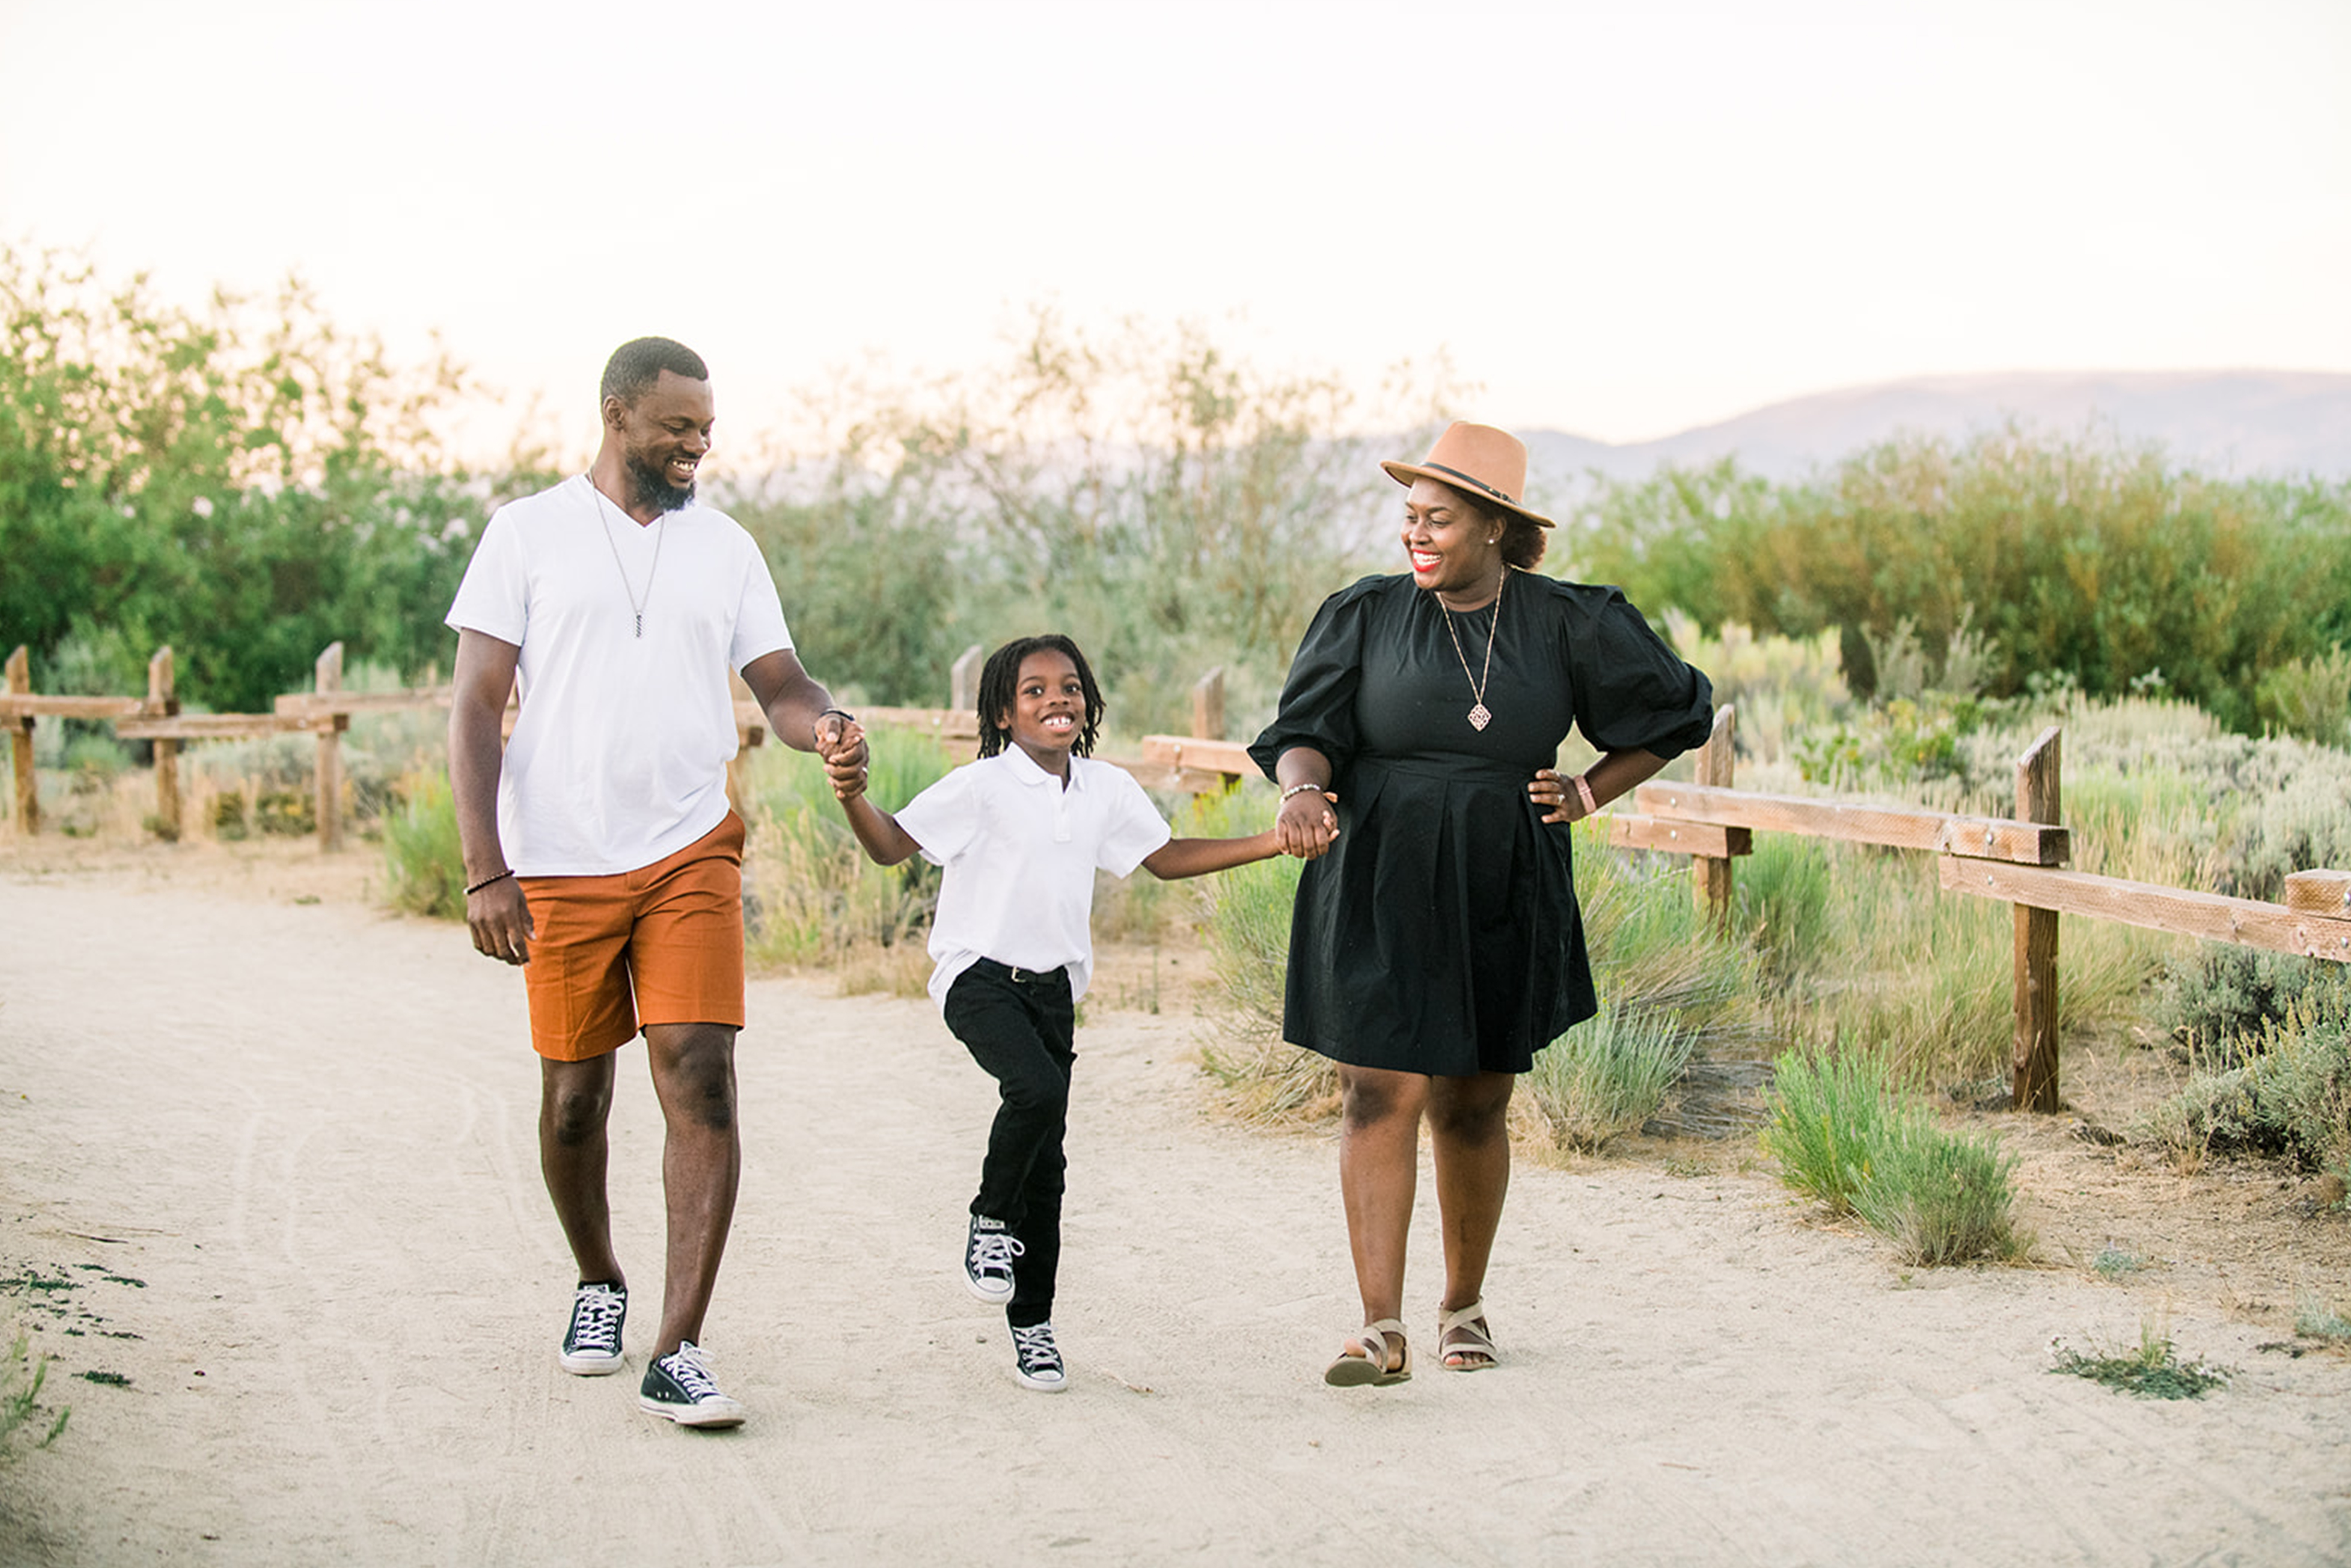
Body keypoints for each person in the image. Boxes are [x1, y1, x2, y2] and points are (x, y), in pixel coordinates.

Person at [445, 336, 864, 1429]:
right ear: (617, 413)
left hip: (689, 845)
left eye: (707, 429)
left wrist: (823, 725)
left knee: (701, 1074)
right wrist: (486, 865)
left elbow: (778, 679)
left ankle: (679, 1347)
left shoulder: (725, 548)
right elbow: (475, 705)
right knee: (577, 1101)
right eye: (679, 427)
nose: (698, 447)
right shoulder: (525, 534)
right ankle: (599, 1280)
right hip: (561, 862)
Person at [1250, 421, 1713, 1386]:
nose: (1415, 534)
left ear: (1497, 526)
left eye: (1439, 519)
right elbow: (1303, 730)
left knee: (1472, 1101)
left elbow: (1679, 709)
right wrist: (1301, 788)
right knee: (1377, 1086)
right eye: (1409, 516)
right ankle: (1379, 1328)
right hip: (1377, 869)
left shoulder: (1569, 622)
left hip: (1503, 877)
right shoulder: (1365, 615)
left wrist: (1591, 789)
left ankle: (1463, 1305)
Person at [824, 634, 1286, 1392]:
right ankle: (988, 1220)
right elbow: (889, 847)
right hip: (978, 977)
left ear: (1089, 702)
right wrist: (851, 796)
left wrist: (1273, 842)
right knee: (1033, 1092)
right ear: (1003, 714)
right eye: (1034, 691)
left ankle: (1033, 1326)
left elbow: (1164, 859)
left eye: (1069, 686)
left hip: (1053, 992)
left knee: (1051, 1167)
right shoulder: (979, 787)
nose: (1056, 700)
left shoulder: (1105, 791)